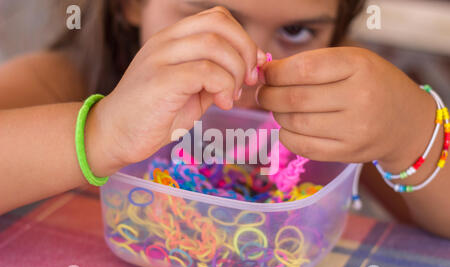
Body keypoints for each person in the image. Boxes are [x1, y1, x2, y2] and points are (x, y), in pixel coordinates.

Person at [0, 0, 449, 237]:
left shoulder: (336, 109)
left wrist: (410, 130)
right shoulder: (64, 81)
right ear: (130, 3)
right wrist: (102, 131)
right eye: (211, 19)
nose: (250, 65)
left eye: (297, 31)